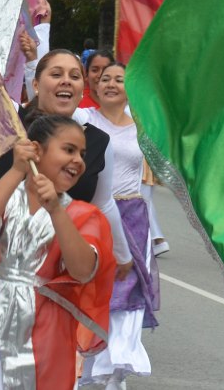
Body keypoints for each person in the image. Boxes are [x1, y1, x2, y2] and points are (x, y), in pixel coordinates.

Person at [0, 115, 116, 389]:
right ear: (36, 150)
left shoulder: (84, 216)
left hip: (45, 332)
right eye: (69, 150)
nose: (79, 161)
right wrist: (16, 171)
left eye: (82, 154)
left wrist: (56, 211)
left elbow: (83, 270)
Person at [0, 49, 134, 277]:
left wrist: (123, 255)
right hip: (4, 261)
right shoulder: (9, 121)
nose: (66, 82)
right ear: (37, 85)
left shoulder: (98, 141)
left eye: (74, 76)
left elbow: (103, 203)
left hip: (63, 270)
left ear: (82, 90)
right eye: (56, 74)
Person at [79, 63, 160, 389]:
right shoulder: (83, 119)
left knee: (128, 297)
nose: (110, 83)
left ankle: (115, 375)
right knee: (92, 292)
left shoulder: (143, 128)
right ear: (95, 86)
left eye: (119, 79)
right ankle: (84, 371)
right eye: (104, 78)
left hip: (134, 218)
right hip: (94, 215)